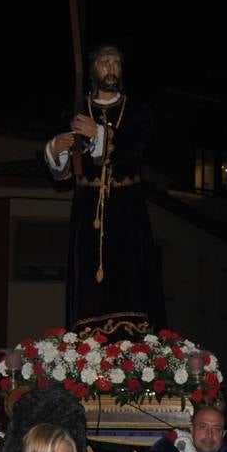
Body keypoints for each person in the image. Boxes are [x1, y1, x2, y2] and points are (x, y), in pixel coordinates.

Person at [44, 44, 164, 336]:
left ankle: (133, 339)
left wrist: (97, 134)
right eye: (103, 63)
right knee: (88, 278)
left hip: (125, 206)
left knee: (129, 275)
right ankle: (87, 342)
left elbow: (133, 149)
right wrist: (55, 149)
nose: (110, 69)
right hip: (88, 207)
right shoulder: (75, 109)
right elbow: (65, 169)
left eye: (116, 63)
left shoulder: (138, 111)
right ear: (93, 70)